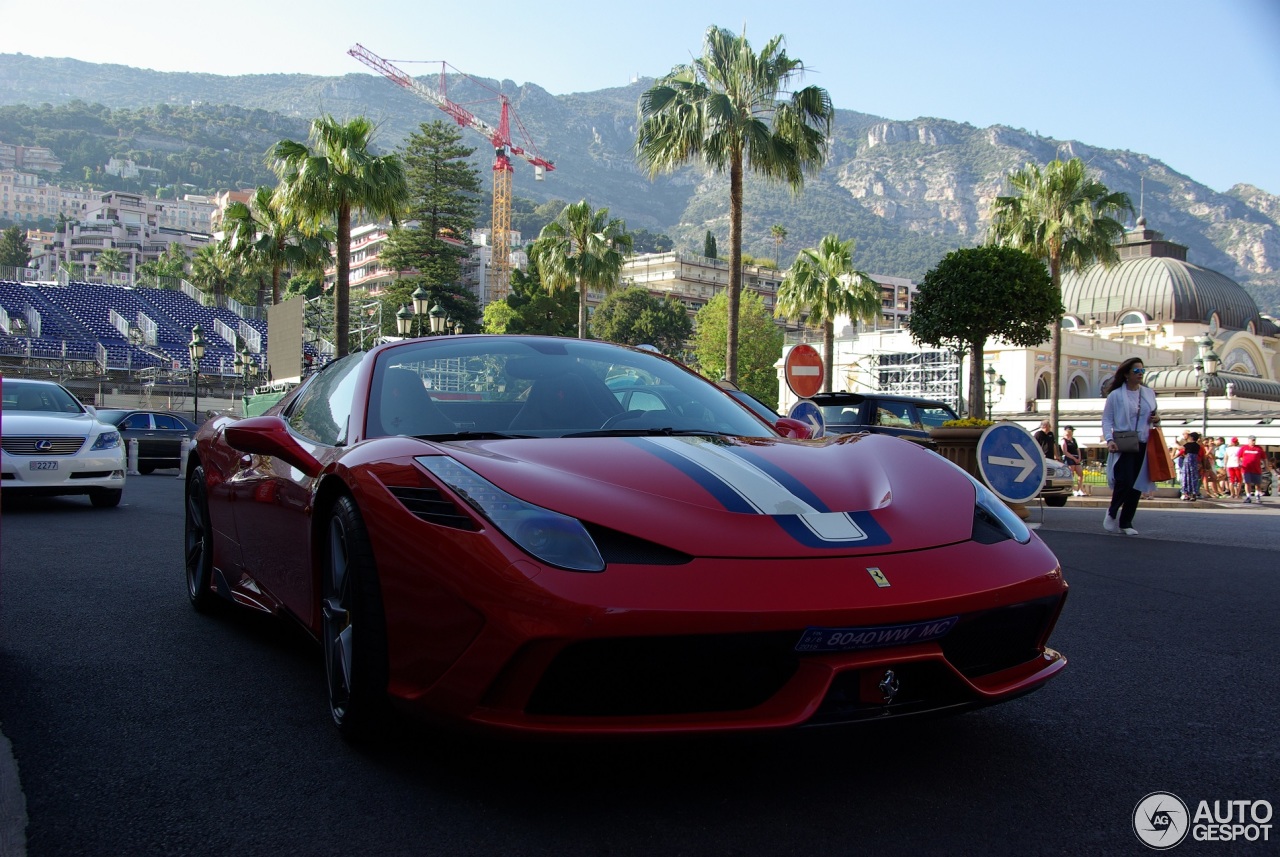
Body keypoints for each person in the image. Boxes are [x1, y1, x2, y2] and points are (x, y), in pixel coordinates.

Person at [1100, 357, 1159, 535]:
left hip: (1144, 442)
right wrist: (1109, 439)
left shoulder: (1149, 393)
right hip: (1123, 443)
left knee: (1137, 484)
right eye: (1136, 371)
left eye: (1142, 371)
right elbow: (1107, 419)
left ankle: (1126, 522)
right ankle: (1112, 511)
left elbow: (1155, 414)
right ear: (1126, 374)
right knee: (1124, 480)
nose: (1140, 374)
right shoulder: (1116, 395)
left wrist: (1157, 419)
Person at [1238, 435, 1269, 503]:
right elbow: (1239, 456)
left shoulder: (1259, 448)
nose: (1253, 441)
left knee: (1258, 483)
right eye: (1252, 440)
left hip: (1256, 469)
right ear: (1248, 440)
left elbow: (1264, 458)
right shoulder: (1244, 448)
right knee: (1247, 482)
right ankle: (1248, 497)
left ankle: (1257, 496)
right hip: (1246, 469)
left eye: (1254, 440)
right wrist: (1239, 463)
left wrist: (1266, 466)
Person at [1060, 425, 1085, 496]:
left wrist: (1079, 458)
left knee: (1080, 473)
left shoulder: (1073, 440)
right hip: (1069, 457)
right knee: (1072, 474)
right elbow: (1065, 451)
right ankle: (1073, 489)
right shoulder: (1064, 440)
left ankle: (1079, 489)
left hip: (1076, 457)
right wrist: (1073, 458)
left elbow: (1077, 449)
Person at [1178, 432, 1202, 501]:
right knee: (1193, 477)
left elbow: (1181, 448)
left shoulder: (1189, 444)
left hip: (1188, 461)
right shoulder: (1197, 445)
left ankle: (1186, 493)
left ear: (1191, 437)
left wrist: (1176, 444)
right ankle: (1193, 493)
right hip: (1194, 461)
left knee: (1186, 476)